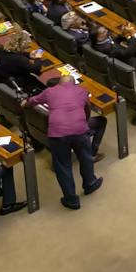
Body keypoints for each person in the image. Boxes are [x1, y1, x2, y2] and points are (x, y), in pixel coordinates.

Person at [28, 72, 101, 210]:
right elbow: (87, 108)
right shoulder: (82, 90)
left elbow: (33, 101)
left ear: (59, 83)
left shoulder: (49, 91)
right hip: (80, 130)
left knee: (63, 166)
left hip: (57, 134)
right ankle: (90, 184)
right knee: (86, 157)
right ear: (74, 83)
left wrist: (24, 103)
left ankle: (71, 200)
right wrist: (84, 121)